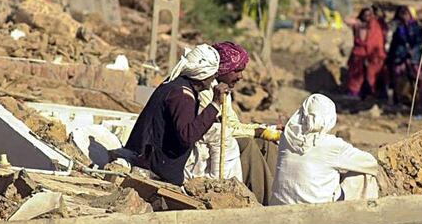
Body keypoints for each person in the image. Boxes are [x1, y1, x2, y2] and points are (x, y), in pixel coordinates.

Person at [189, 41, 281, 204]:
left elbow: (232, 122)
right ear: (223, 70)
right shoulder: (206, 91)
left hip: (222, 137)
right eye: (236, 71)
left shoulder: (224, 89)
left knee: (267, 144)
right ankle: (266, 200)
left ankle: (278, 192)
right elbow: (220, 128)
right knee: (247, 144)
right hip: (208, 142)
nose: (240, 77)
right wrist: (255, 131)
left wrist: (261, 130)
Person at [121, 44, 227, 185]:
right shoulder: (182, 95)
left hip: (152, 160)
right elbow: (187, 136)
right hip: (154, 167)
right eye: (214, 74)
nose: (214, 79)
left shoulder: (177, 85)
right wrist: (215, 105)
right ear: (203, 76)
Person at [270, 94, 379, 205]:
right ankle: (361, 216)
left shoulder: (286, 138)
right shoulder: (332, 145)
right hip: (317, 214)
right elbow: (371, 164)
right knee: (364, 175)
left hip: (278, 207)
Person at [387, 5, 422, 105]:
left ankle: (418, 100)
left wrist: (414, 51)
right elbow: (393, 43)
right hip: (399, 57)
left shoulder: (416, 27)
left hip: (414, 57)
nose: (404, 17)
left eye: (406, 14)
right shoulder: (396, 27)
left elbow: (420, 42)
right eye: (402, 14)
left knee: (417, 78)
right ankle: (402, 100)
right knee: (399, 78)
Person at [346, 7, 387, 99]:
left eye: (369, 15)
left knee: (373, 74)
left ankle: (373, 93)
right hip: (359, 53)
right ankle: (355, 93)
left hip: (374, 55)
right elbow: (347, 20)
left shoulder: (375, 26)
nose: (367, 17)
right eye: (365, 14)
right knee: (357, 75)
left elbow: (377, 41)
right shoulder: (358, 25)